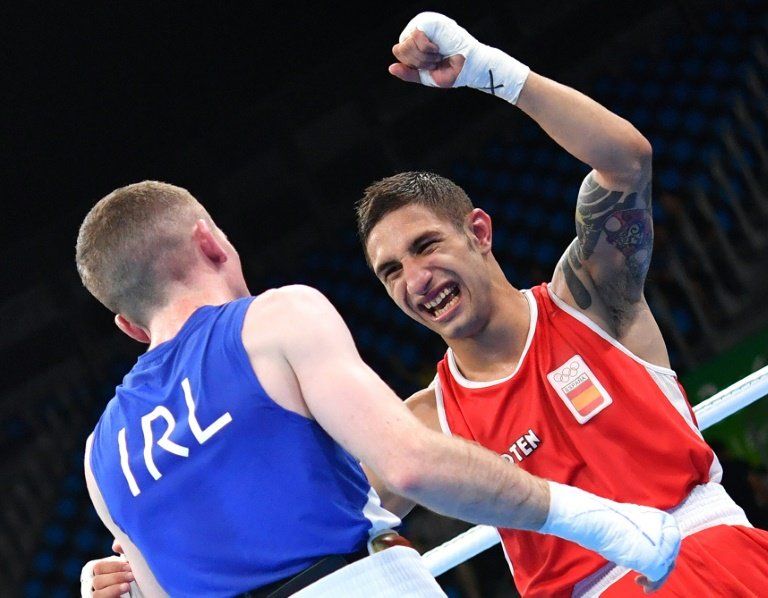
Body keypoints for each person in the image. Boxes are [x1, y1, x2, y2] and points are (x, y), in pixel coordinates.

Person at [76, 180, 680, 597]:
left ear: (128, 324)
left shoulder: (99, 456)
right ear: (212, 242)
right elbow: (411, 465)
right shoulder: (274, 319)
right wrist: (597, 519)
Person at [353, 11, 768, 597]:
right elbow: (320, 524)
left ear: (479, 232)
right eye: (391, 271)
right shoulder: (424, 425)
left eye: (426, 246)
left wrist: (493, 73)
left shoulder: (589, 299)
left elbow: (626, 161)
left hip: (718, 563)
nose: (415, 279)